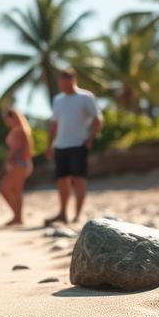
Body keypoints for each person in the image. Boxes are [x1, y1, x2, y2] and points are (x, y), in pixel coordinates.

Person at [45, 68, 103, 225]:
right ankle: (62, 213)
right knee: (62, 181)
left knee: (78, 179)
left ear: (72, 80)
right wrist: (49, 145)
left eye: (63, 82)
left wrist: (90, 138)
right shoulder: (58, 100)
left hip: (78, 144)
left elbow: (97, 119)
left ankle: (77, 215)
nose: (61, 85)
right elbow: (55, 124)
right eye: (59, 82)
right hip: (61, 146)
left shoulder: (85, 97)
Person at [0, 108, 33, 227]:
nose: (6, 122)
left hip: (19, 163)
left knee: (6, 188)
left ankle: (17, 216)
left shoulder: (19, 130)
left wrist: (6, 163)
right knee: (15, 190)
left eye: (7, 119)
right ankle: (17, 217)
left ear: (13, 117)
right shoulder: (20, 130)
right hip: (20, 163)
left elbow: (15, 150)